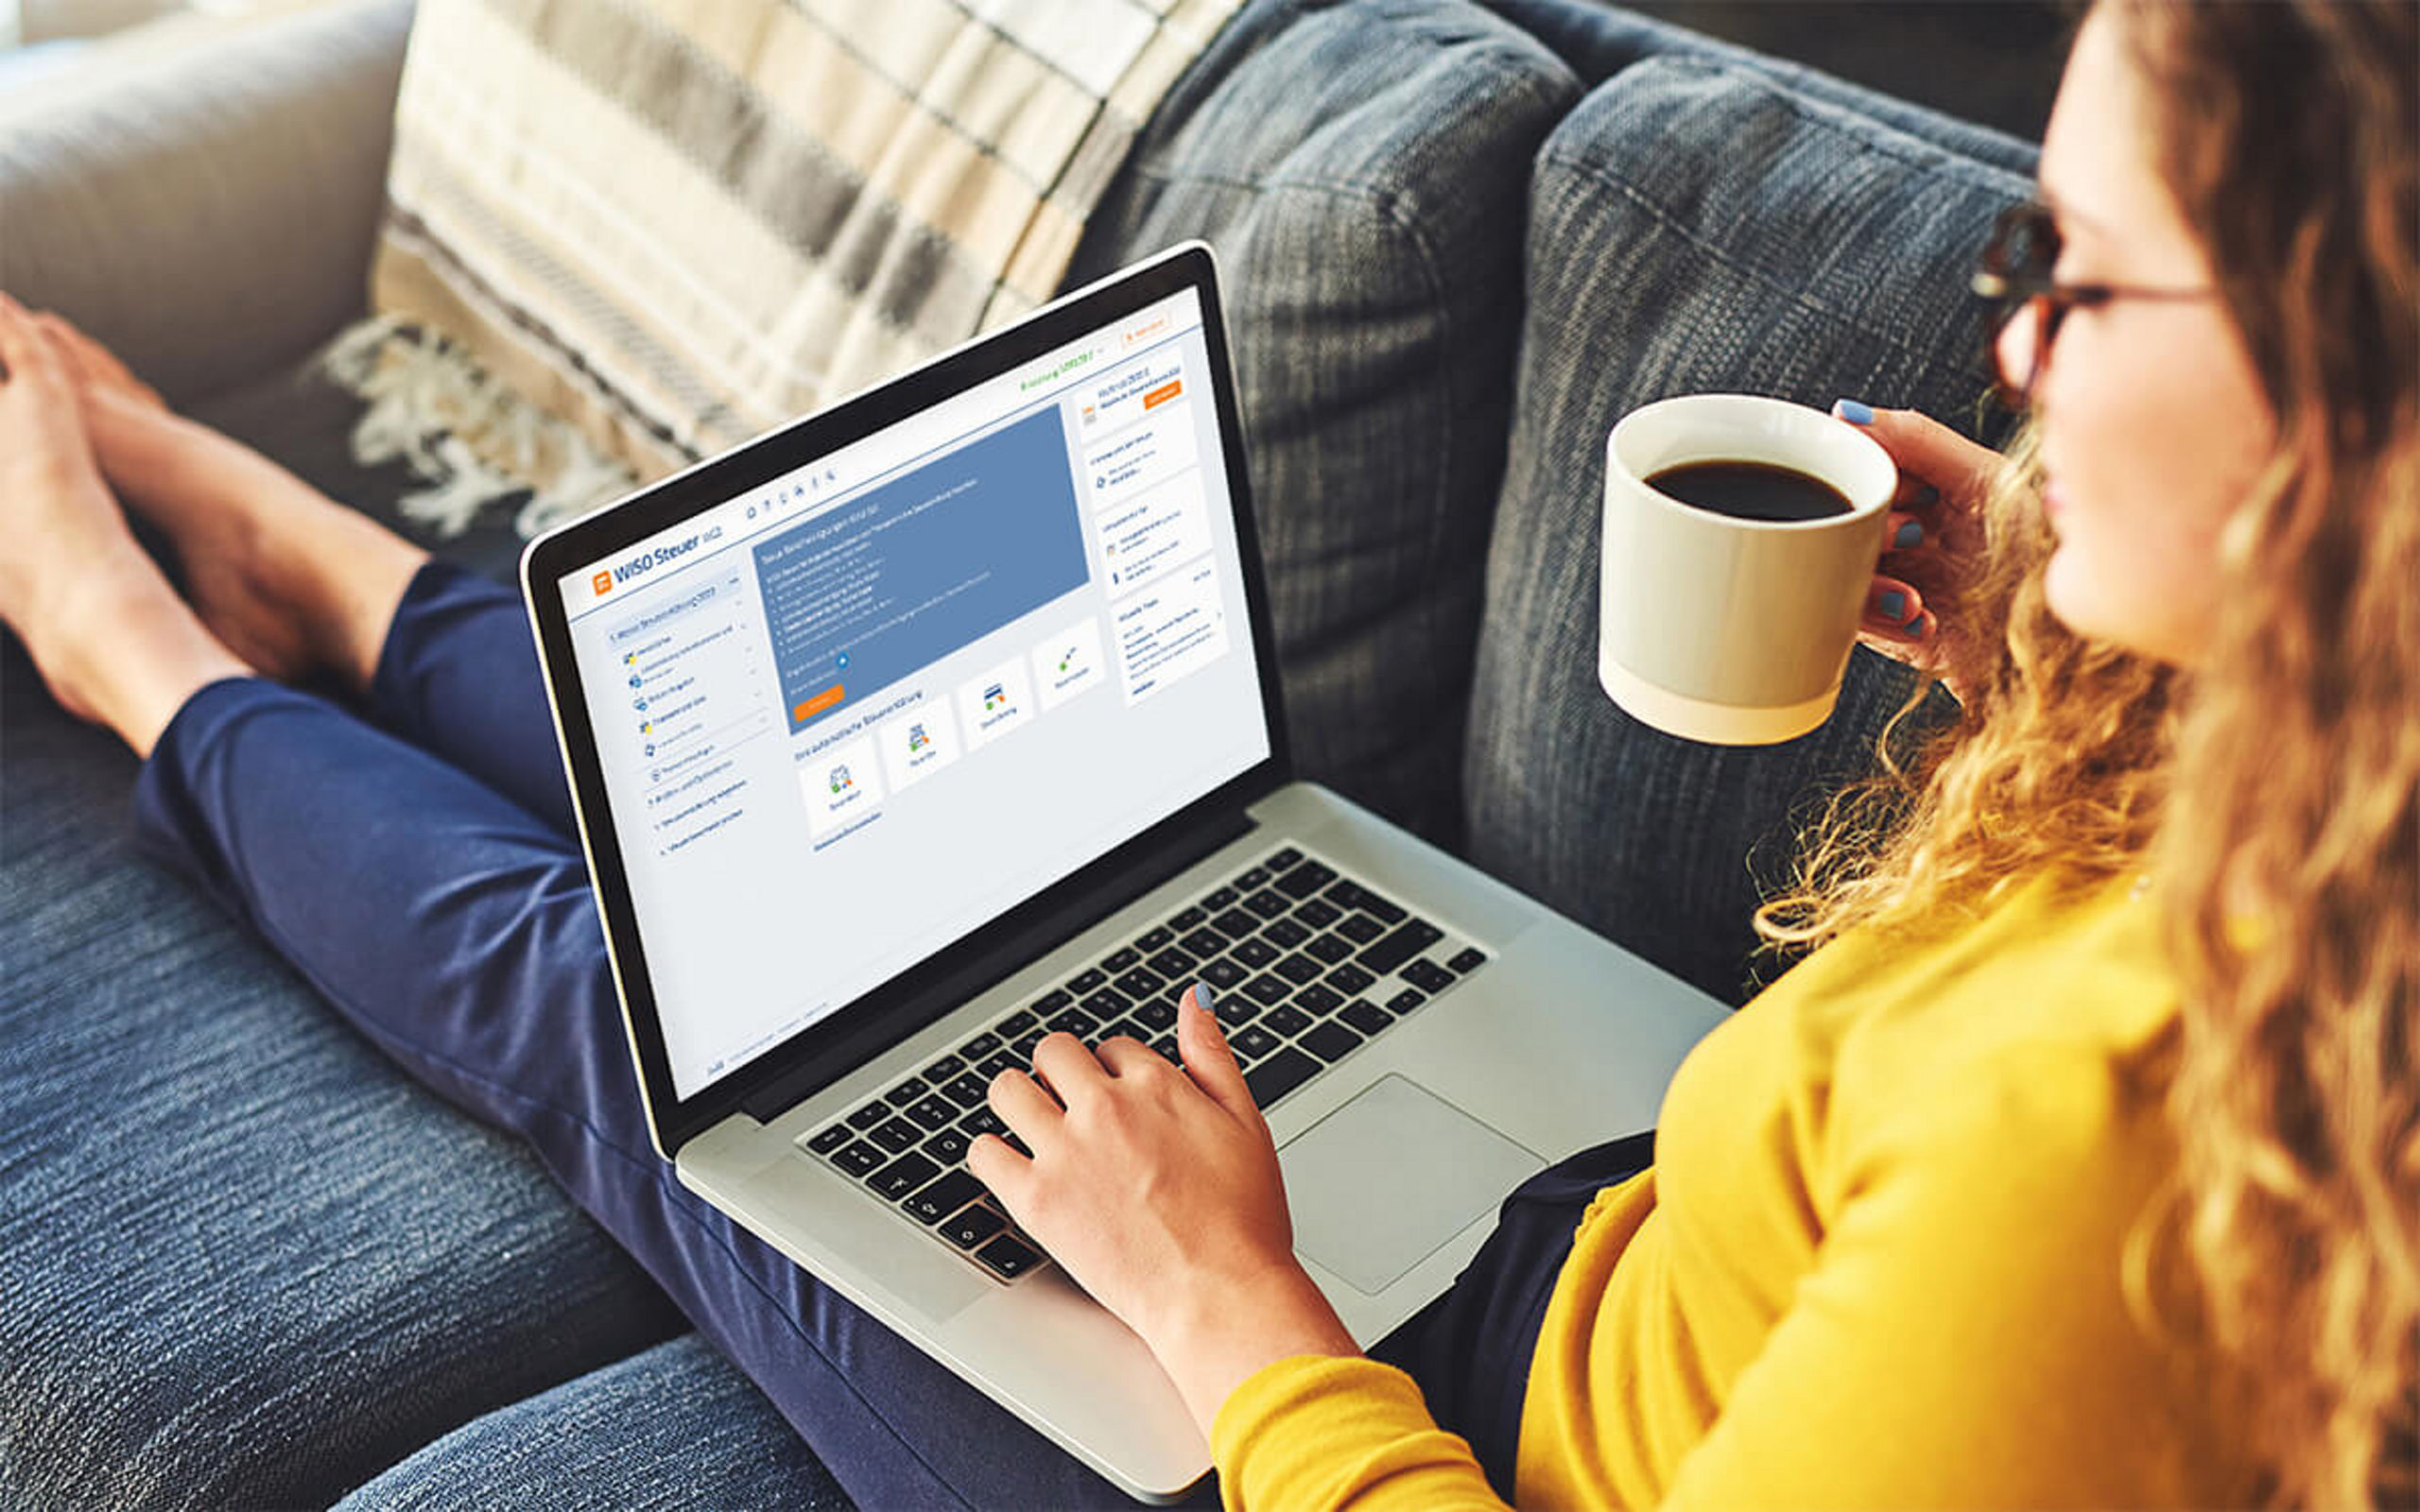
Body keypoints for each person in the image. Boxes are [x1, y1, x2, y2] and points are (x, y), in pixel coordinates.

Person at [2, 0, 2411, 1503]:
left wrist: (1226, 1300)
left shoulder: (2119, 1165)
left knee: (648, 1041)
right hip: (1580, 1277)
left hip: (1387, 1435)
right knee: (794, 840)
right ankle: (319, 557)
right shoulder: (2324, 789)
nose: (2009, 351)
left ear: (2355, 409)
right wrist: (2071, 642)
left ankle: (128, 646)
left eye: (2074, 279)